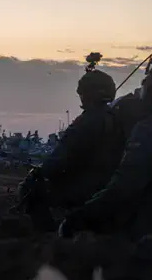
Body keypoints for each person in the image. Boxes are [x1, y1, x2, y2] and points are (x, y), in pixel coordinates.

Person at [17, 52, 125, 231]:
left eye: (83, 92)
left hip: (85, 187)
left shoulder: (88, 122)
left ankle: (49, 235)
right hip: (106, 183)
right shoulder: (115, 118)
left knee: (32, 187)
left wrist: (40, 172)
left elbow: (61, 159)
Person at [58, 68, 152, 241]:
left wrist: (79, 218)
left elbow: (125, 186)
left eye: (148, 78)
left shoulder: (145, 130)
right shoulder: (121, 120)